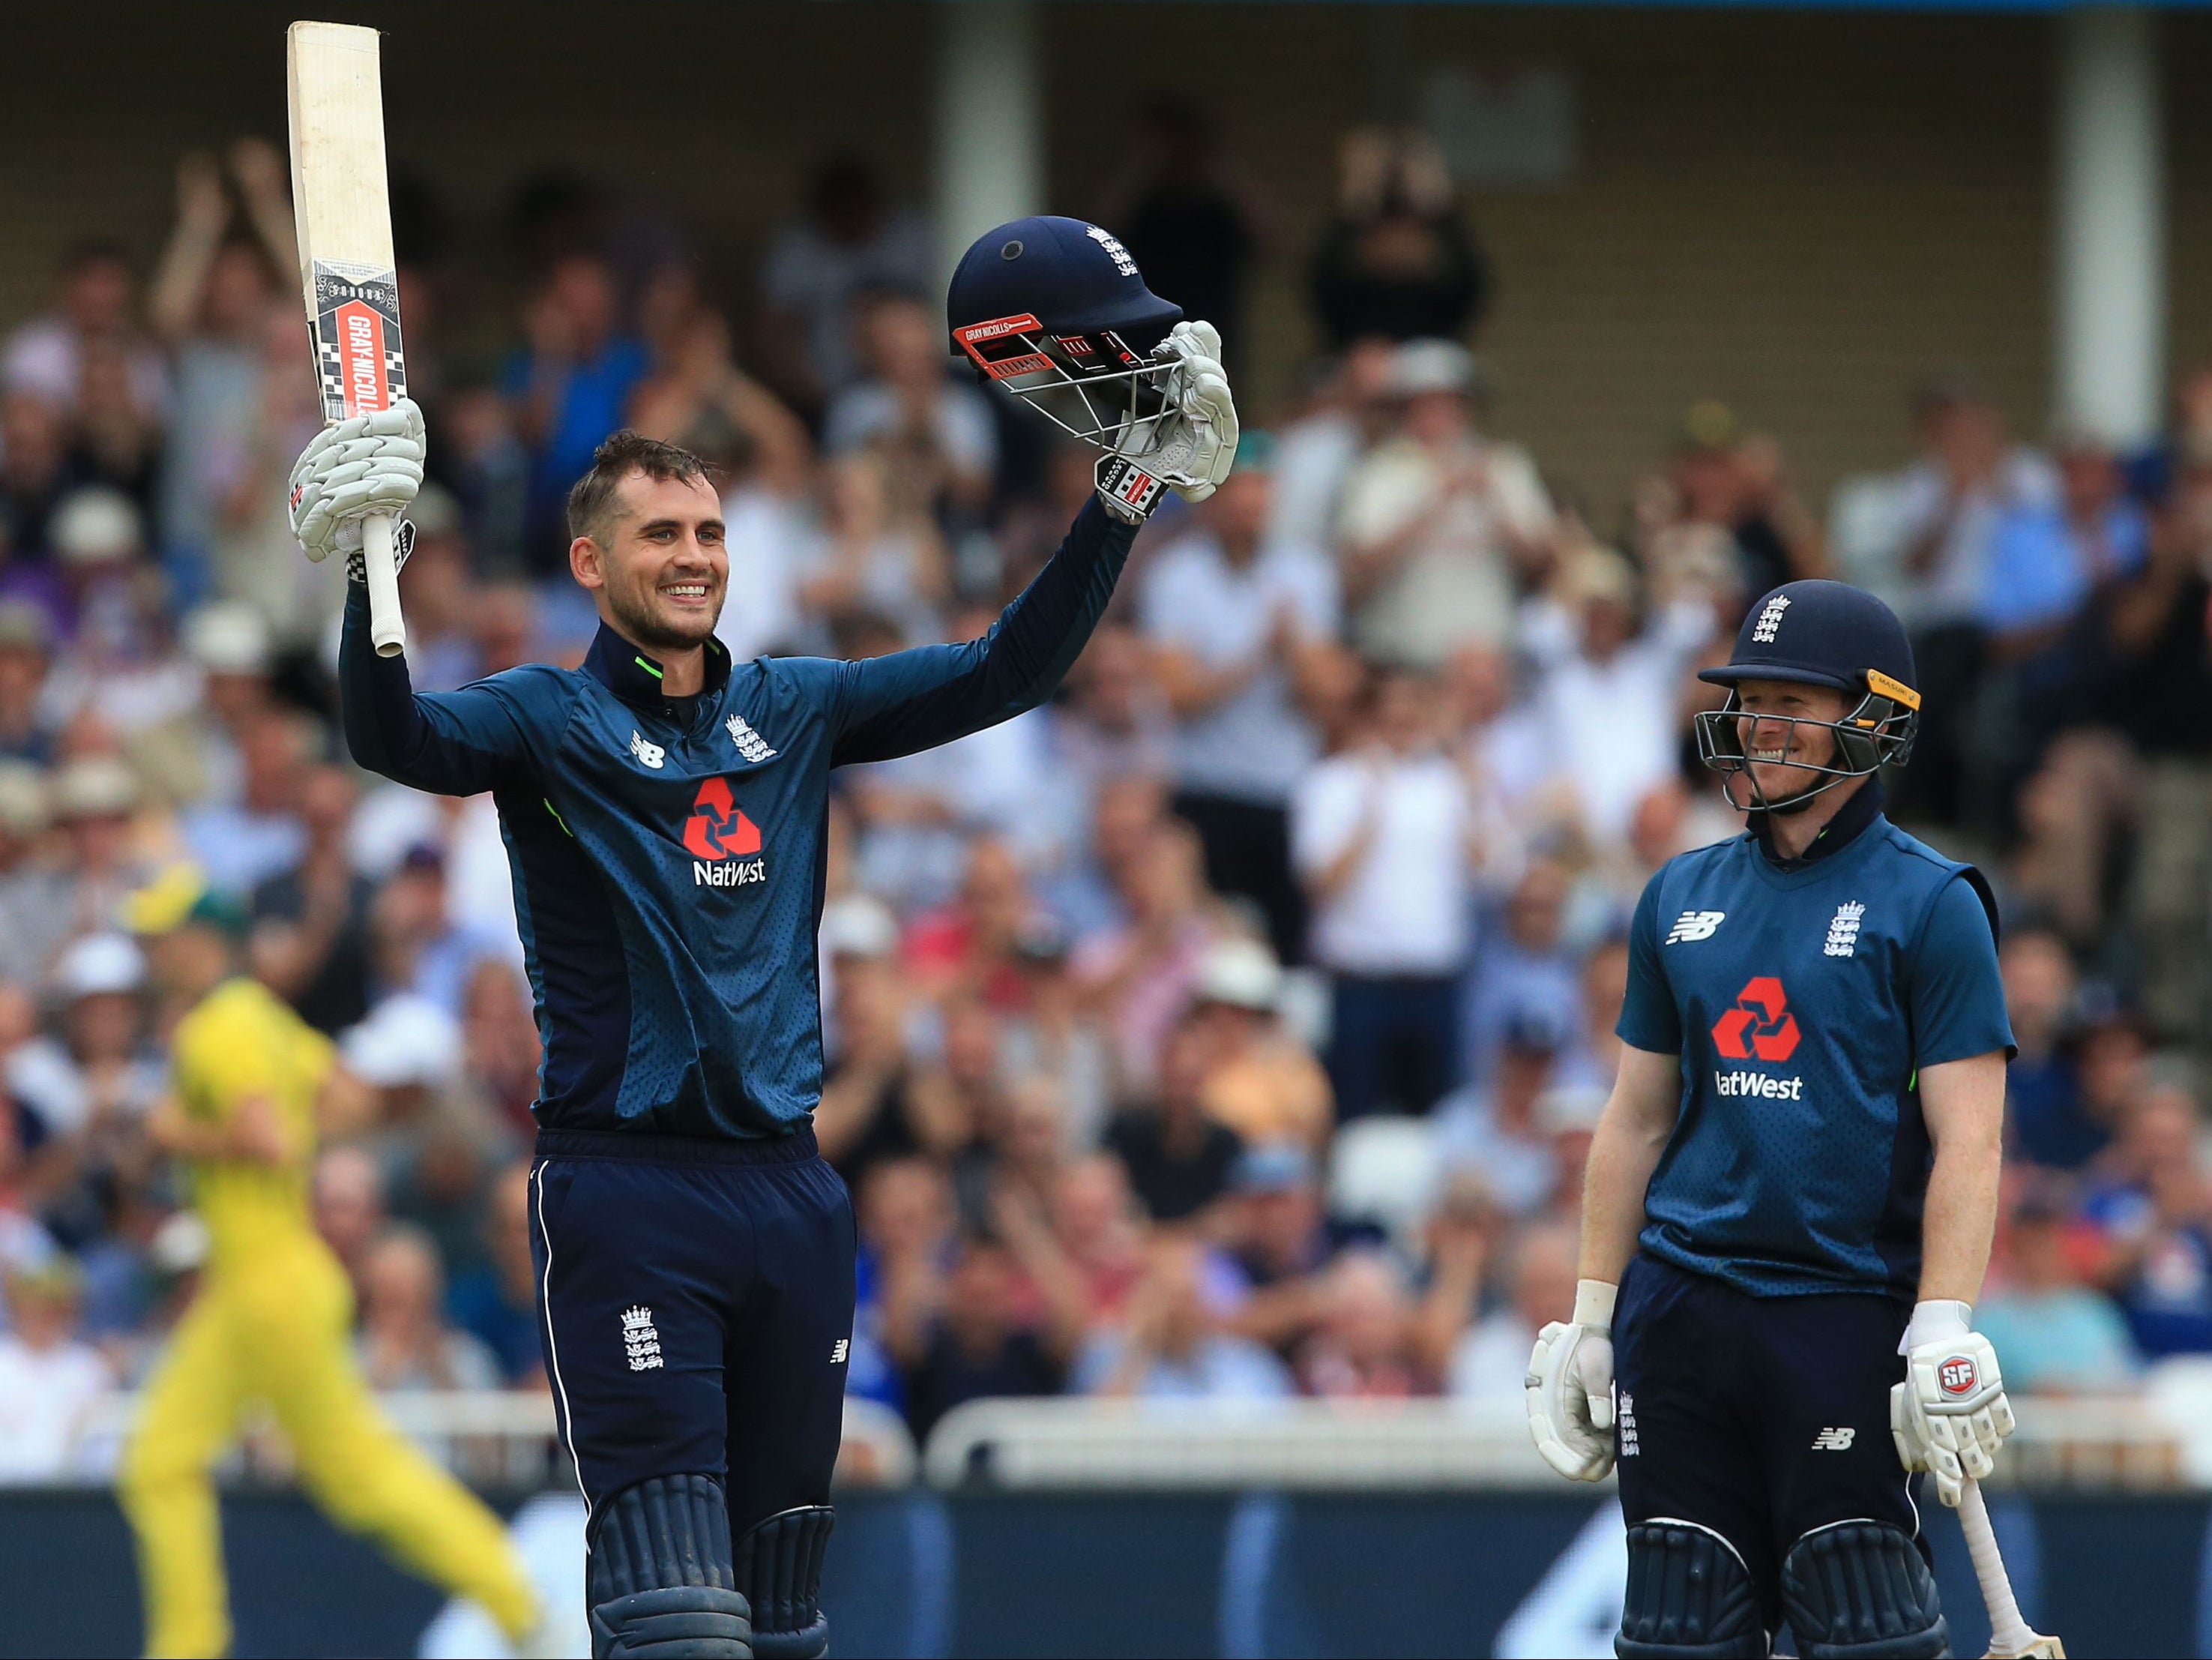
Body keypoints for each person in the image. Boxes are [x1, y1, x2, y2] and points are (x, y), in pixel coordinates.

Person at [286, 214, 1236, 1659]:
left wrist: (1126, 489)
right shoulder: (547, 717)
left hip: (793, 1198)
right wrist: (367, 572)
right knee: (679, 1616)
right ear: (590, 562)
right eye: (660, 535)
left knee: (784, 1615)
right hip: (628, 1191)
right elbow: (395, 735)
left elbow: (1008, 670)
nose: (694, 556)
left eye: (711, 532)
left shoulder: (793, 706)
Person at [1525, 580, 2018, 1657]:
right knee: (1675, 1624)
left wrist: (1941, 1317)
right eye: (1750, 697)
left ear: (1874, 719)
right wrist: (1593, 1312)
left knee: (1861, 1623)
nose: (1759, 722)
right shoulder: (1676, 893)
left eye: (1795, 699)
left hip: (1839, 1308)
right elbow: (1632, 1120)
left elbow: (1969, 1138)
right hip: (1682, 1310)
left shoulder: (1932, 902)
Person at [115, 870, 539, 1658]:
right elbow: (348, 1101)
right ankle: (515, 1598)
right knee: (175, 1463)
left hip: (265, 1284)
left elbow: (269, 1140)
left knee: (322, 1472)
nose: (152, 952)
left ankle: (519, 1601)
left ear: (202, 942)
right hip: (267, 1283)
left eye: (162, 936)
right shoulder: (260, 1018)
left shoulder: (218, 1028)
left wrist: (177, 1132)